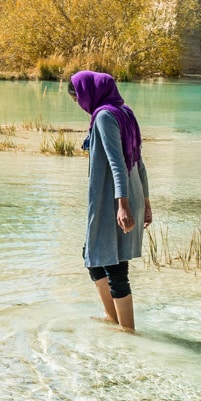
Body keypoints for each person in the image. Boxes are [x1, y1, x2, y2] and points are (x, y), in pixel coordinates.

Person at [69, 70, 152, 331]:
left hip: (114, 200)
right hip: (131, 193)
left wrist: (122, 205)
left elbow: (118, 163)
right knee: (93, 255)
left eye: (78, 99)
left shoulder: (105, 116)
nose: (80, 105)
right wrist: (146, 203)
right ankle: (113, 317)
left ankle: (127, 330)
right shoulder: (124, 112)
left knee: (114, 265)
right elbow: (138, 162)